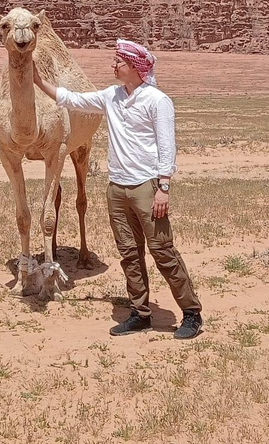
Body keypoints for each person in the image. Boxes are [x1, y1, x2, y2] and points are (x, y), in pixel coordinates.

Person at [33, 39, 203, 340]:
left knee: (162, 250)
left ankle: (191, 313)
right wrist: (38, 81)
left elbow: (167, 147)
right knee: (128, 253)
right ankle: (140, 313)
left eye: (119, 62)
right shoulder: (111, 96)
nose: (113, 66)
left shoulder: (157, 101)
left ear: (135, 67)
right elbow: (72, 99)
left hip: (147, 187)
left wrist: (163, 187)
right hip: (117, 187)